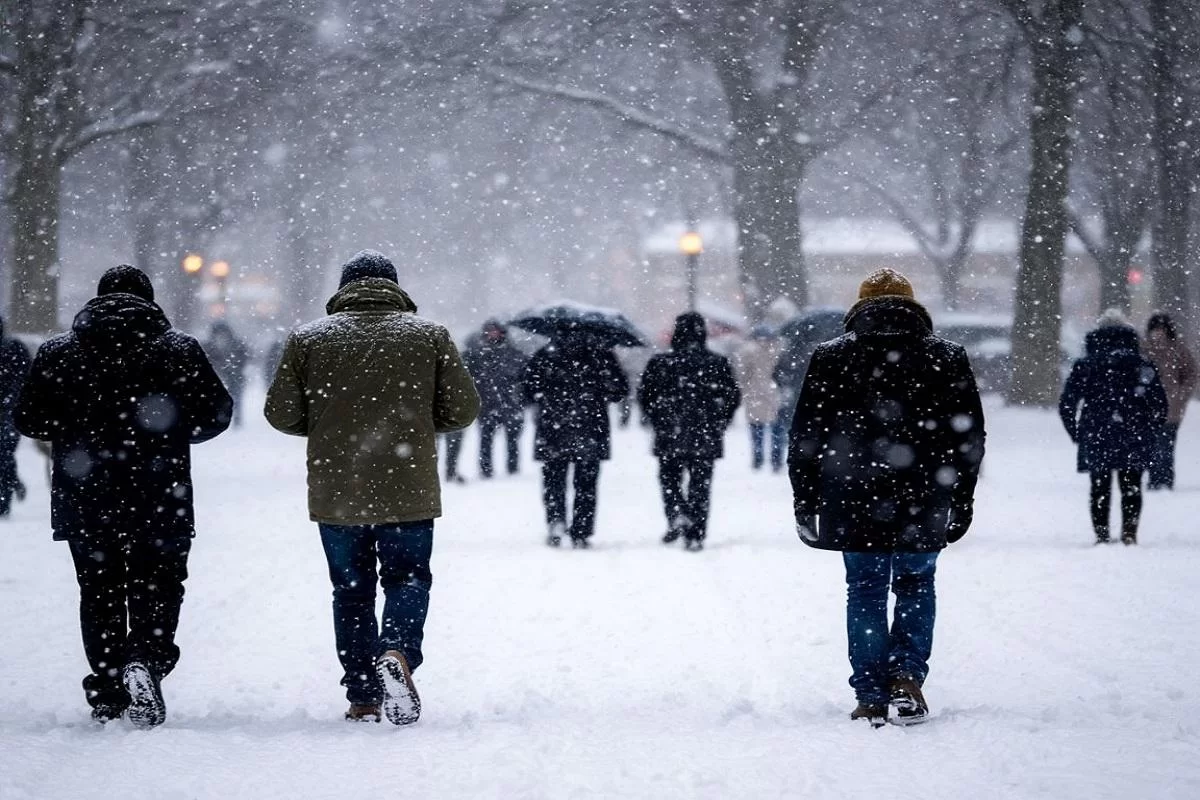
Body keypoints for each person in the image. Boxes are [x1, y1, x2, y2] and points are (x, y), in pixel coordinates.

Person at [265, 250, 479, 724]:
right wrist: (419, 424)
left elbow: (281, 413)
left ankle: (363, 695)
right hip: (408, 487)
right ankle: (398, 652)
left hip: (338, 489)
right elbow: (462, 409)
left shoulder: (309, 339)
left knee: (351, 590)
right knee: (407, 578)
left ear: (344, 289)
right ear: (395, 287)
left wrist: (328, 425)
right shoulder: (429, 336)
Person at [14, 265, 232, 728]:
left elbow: (29, 419)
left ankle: (109, 690)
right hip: (159, 490)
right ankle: (146, 659)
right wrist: (170, 433)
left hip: (86, 492)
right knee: (161, 584)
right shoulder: (178, 348)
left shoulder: (59, 352)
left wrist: (75, 432)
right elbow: (216, 413)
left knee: (99, 592)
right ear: (150, 302)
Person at [789, 269, 985, 727]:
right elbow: (969, 436)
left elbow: (806, 436)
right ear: (914, 307)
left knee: (865, 589)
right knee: (917, 582)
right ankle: (907, 675)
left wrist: (805, 497)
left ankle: (871, 692)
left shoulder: (832, 357)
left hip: (852, 491)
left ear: (859, 308)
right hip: (925, 492)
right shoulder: (946, 357)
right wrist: (963, 496)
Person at [1060, 309, 1168, 545]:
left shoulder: (1086, 364)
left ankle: (1102, 534)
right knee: (1132, 485)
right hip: (1134, 431)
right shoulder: (1141, 364)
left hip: (1097, 431)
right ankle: (1129, 532)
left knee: (1099, 487)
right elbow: (1159, 402)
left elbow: (1067, 403)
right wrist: (1153, 427)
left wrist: (1076, 432)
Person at [638, 313, 741, 551]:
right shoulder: (717, 362)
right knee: (700, 484)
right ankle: (696, 531)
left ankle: (676, 512)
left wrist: (658, 419)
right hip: (705, 433)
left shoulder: (660, 362)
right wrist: (720, 421)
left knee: (669, 479)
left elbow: (645, 396)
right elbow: (732, 397)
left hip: (669, 431)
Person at [523, 333, 628, 548]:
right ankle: (581, 530)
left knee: (553, 481)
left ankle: (556, 521)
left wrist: (547, 396)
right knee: (586, 484)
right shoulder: (602, 356)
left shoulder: (545, 355)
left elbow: (527, 390)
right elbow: (620, 391)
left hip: (553, 428)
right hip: (591, 427)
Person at [463, 319, 528, 477]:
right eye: (489, 331)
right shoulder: (476, 355)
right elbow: (467, 377)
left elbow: (525, 379)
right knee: (486, 439)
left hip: (510, 403)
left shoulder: (515, 354)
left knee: (512, 440)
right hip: (487, 404)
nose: (492, 334)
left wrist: (521, 397)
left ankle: (512, 469)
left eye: (495, 330)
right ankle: (486, 469)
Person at [1143, 312, 1197, 490]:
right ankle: (1154, 479)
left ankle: (1165, 480)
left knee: (1166, 446)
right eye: (1155, 329)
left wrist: (1181, 395)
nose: (1158, 333)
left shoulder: (1178, 350)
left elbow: (1191, 374)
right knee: (1151, 447)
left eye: (1161, 329)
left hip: (1171, 408)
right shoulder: (1144, 349)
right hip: (1148, 408)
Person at [732, 325, 784, 472]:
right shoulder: (779, 349)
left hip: (754, 393)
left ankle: (758, 459)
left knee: (756, 428)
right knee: (777, 429)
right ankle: (776, 460)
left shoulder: (747, 351)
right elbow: (785, 371)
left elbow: (741, 374)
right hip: (776, 393)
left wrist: (744, 388)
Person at [0, 315, 31, 516]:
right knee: (5, 456)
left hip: (9, 413)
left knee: (4, 456)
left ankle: (8, 490)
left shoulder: (14, 349)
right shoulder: (15, 348)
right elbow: (27, 380)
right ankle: (7, 493)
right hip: (11, 414)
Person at [203, 321, 250, 428]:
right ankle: (225, 419)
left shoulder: (236, 344)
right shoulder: (209, 346)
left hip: (233, 376)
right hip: (222, 377)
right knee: (223, 399)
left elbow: (244, 358)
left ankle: (234, 419)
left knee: (235, 398)